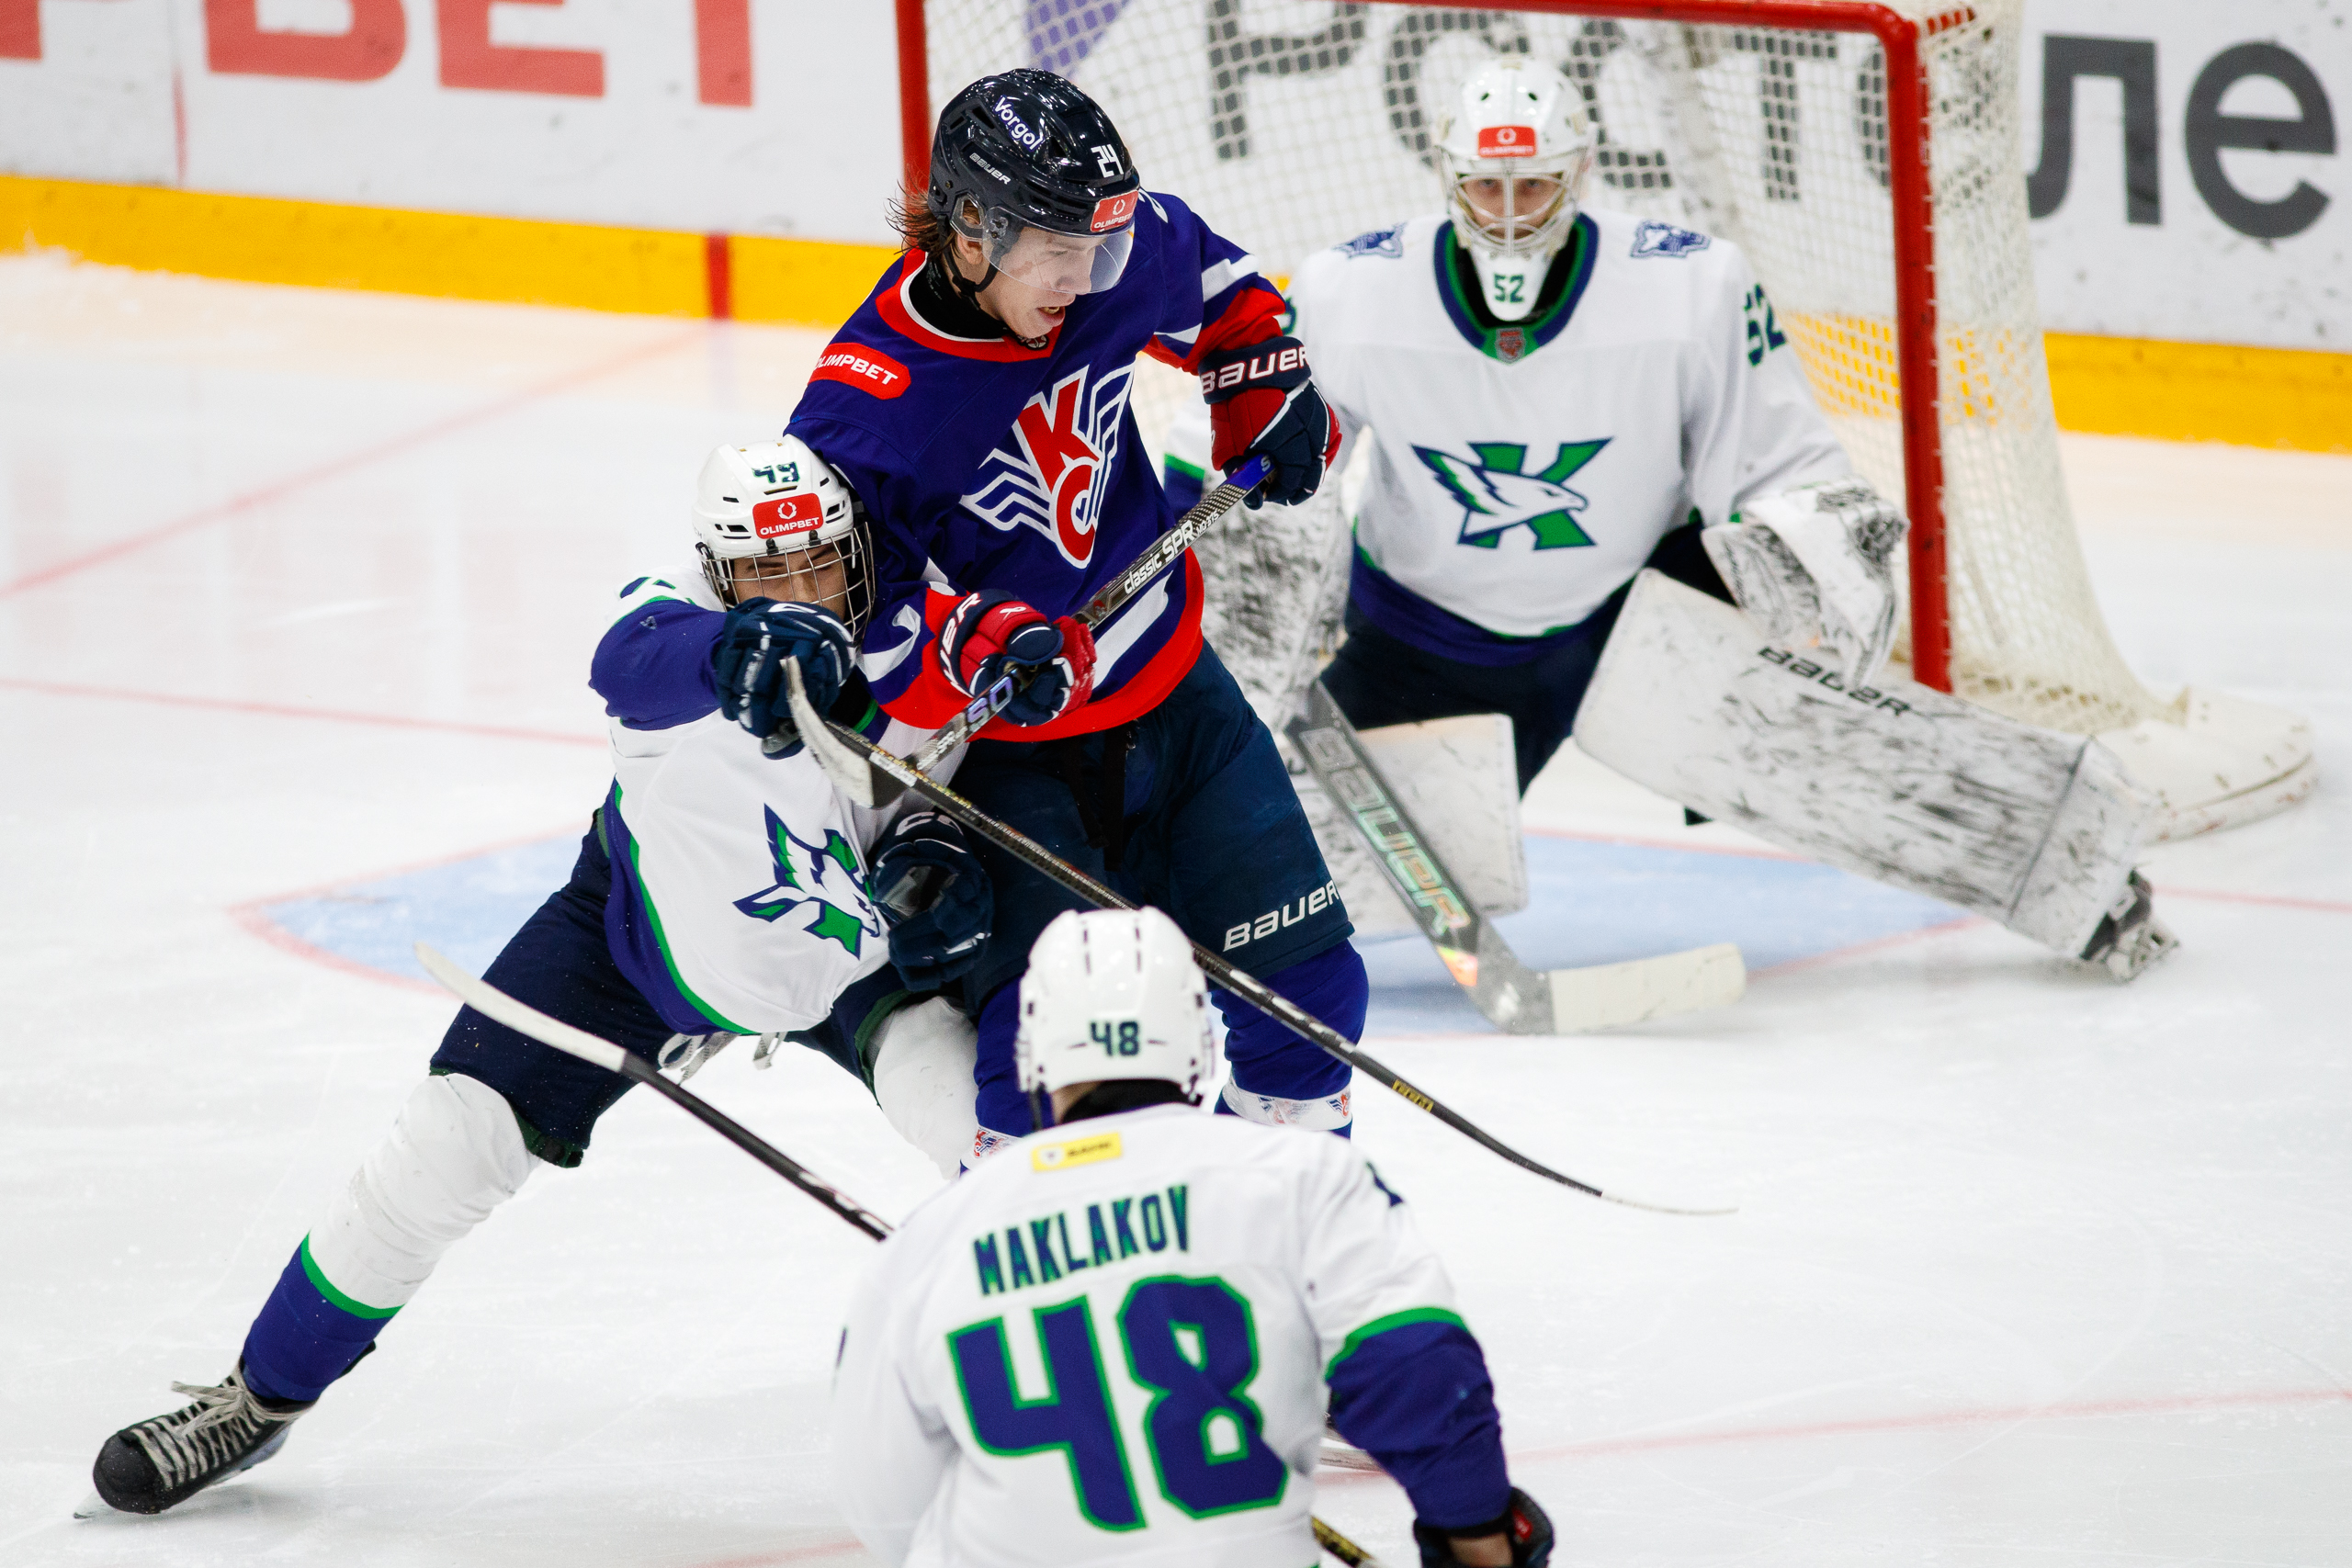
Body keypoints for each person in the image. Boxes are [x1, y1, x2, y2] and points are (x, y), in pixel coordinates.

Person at [88, 440, 993, 1516]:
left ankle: (1075, 1356)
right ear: (715, 574)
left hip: (843, 961)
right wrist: (735, 647)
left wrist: (933, 864)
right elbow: (630, 661)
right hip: (638, 940)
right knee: (443, 1146)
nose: (800, 593)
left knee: (979, 1124)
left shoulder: (925, 644)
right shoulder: (671, 618)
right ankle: (258, 1397)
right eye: (765, 574)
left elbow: (941, 805)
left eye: (818, 566)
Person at [1168, 58, 2168, 978]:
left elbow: (1785, 463)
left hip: (1631, 622)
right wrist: (1256, 635)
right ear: (1447, 178)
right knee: (1245, 895)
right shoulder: (1353, 290)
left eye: (1533, 187)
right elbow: (1276, 469)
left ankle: (2084, 879)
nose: (1508, 215)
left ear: (1581, 172)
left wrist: (1804, 583)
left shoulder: (1688, 286)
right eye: (1486, 188)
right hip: (1418, 644)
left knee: (1842, 759)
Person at [784, 68, 1371, 1154]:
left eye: (1099, 247)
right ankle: (1037, 1243)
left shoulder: (1095, 255)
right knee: (1047, 1059)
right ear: (970, 228)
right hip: (1008, 762)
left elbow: (1208, 272)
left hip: (1174, 695)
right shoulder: (867, 410)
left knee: (1311, 999)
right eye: (1058, 249)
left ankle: (1284, 1217)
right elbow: (867, 628)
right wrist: (978, 647)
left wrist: (1257, 372)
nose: (1086, 276)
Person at [831, 906, 1555, 1568]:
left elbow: (886, 1505)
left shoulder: (924, 1248)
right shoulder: (1303, 1177)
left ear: (1034, 1056)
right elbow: (1415, 1362)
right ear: (1199, 1042)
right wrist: (1478, 1533)